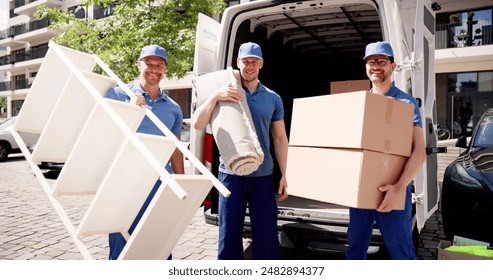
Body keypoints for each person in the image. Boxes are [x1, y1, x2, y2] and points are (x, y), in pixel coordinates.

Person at [192, 42, 289, 260]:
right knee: (228, 233)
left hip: (263, 175)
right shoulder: (225, 92)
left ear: (261, 64)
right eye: (245, 61)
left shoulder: (273, 98)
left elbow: (280, 138)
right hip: (230, 175)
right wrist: (215, 97)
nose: (250, 66)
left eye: (254, 61)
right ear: (238, 63)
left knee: (266, 234)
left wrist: (284, 174)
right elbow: (198, 125)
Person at [345, 41, 427, 260]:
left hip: (394, 190)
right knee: (355, 249)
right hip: (361, 193)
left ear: (393, 66)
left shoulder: (406, 103)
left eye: (382, 61)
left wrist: (398, 188)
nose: (376, 66)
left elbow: (419, 152)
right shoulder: (359, 102)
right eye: (371, 62)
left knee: (402, 254)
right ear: (365, 67)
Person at [105, 44, 184, 260]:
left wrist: (180, 184)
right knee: (122, 244)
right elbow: (102, 131)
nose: (154, 69)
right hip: (125, 182)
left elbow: (175, 149)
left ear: (164, 69)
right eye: (148, 64)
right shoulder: (117, 94)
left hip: (159, 183)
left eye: (159, 65)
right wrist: (130, 111)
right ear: (138, 65)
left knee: (159, 241)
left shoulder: (173, 108)